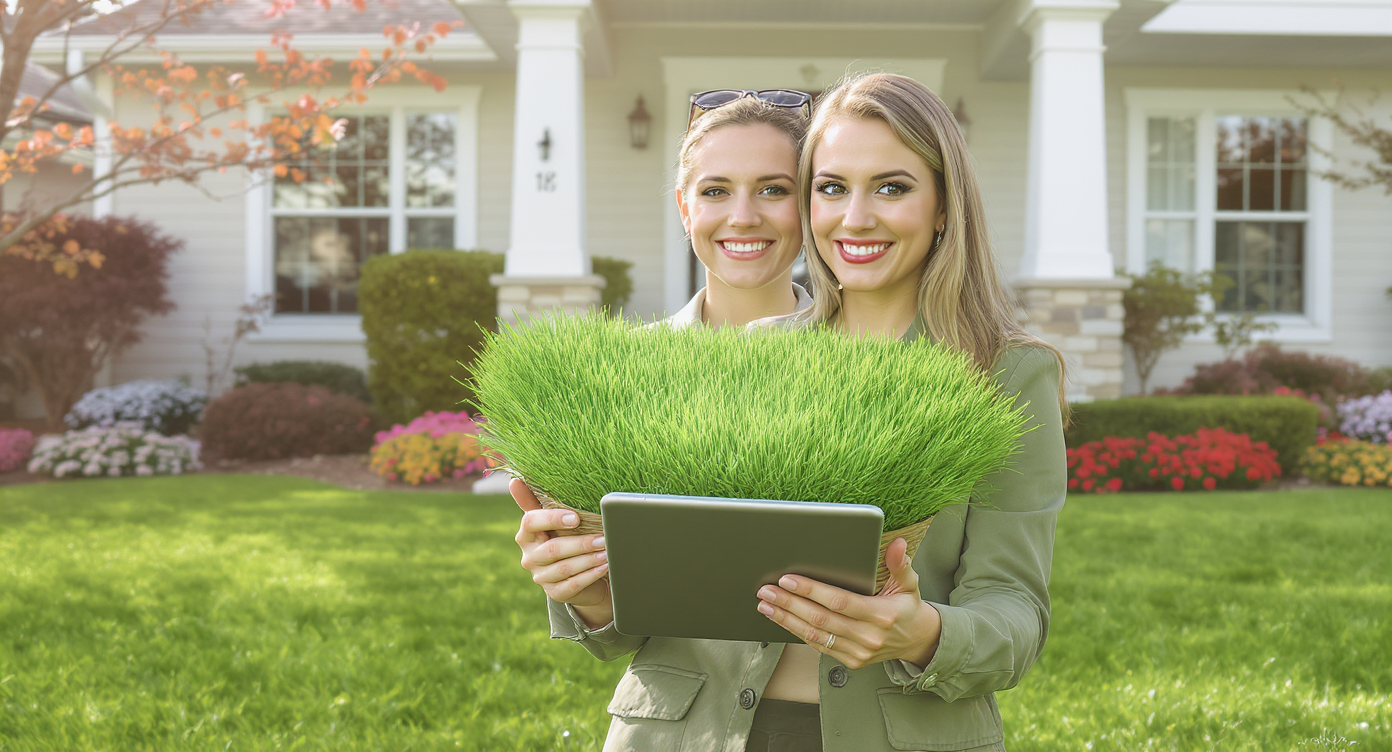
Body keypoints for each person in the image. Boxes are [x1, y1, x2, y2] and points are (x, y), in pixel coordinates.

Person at [515, 73, 1067, 752]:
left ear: (945, 206)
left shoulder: (1008, 374)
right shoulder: (755, 353)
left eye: (891, 187)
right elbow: (665, 602)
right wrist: (591, 591)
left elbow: (1015, 613)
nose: (854, 217)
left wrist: (924, 632)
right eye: (832, 187)